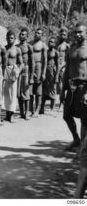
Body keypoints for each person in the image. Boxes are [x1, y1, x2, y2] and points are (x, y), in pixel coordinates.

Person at [62, 23, 87, 198]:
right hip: (71, 86)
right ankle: (76, 139)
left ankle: (83, 150)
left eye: (81, 32)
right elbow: (67, 70)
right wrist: (62, 89)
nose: (77, 35)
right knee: (66, 115)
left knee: (85, 120)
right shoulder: (70, 49)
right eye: (76, 32)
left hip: (84, 87)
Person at [3, 30, 23, 123]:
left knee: (13, 94)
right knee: (6, 94)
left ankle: (11, 115)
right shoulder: (4, 48)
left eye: (12, 38)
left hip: (13, 72)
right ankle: (7, 115)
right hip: (5, 71)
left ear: (15, 39)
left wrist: (17, 71)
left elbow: (21, 63)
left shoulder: (17, 49)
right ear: (6, 38)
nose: (10, 39)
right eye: (8, 37)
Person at [17, 27, 34, 120]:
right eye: (20, 34)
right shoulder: (17, 47)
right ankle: (21, 112)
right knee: (19, 92)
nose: (21, 36)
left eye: (23, 34)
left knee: (26, 92)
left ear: (27, 36)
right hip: (18, 70)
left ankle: (27, 112)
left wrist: (31, 77)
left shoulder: (29, 47)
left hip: (26, 69)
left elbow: (32, 62)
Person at [30, 28, 47, 117]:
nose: (37, 34)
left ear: (41, 35)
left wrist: (43, 73)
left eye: (39, 33)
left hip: (39, 66)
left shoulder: (43, 45)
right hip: (30, 67)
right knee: (30, 88)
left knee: (38, 89)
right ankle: (30, 109)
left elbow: (45, 60)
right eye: (36, 32)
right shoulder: (30, 43)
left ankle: (37, 109)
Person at [41, 36, 59, 115]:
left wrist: (57, 76)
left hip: (52, 72)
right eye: (49, 41)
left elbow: (58, 65)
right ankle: (41, 109)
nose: (50, 43)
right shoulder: (46, 51)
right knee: (44, 90)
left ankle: (52, 108)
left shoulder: (56, 52)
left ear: (54, 44)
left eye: (52, 42)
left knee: (53, 90)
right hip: (46, 72)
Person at [57, 27, 70, 110]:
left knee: (63, 87)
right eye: (61, 34)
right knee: (59, 87)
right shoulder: (56, 44)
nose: (63, 35)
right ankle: (61, 102)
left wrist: (63, 66)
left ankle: (62, 104)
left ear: (67, 35)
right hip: (56, 67)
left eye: (64, 34)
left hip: (63, 67)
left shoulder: (67, 46)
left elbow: (68, 58)